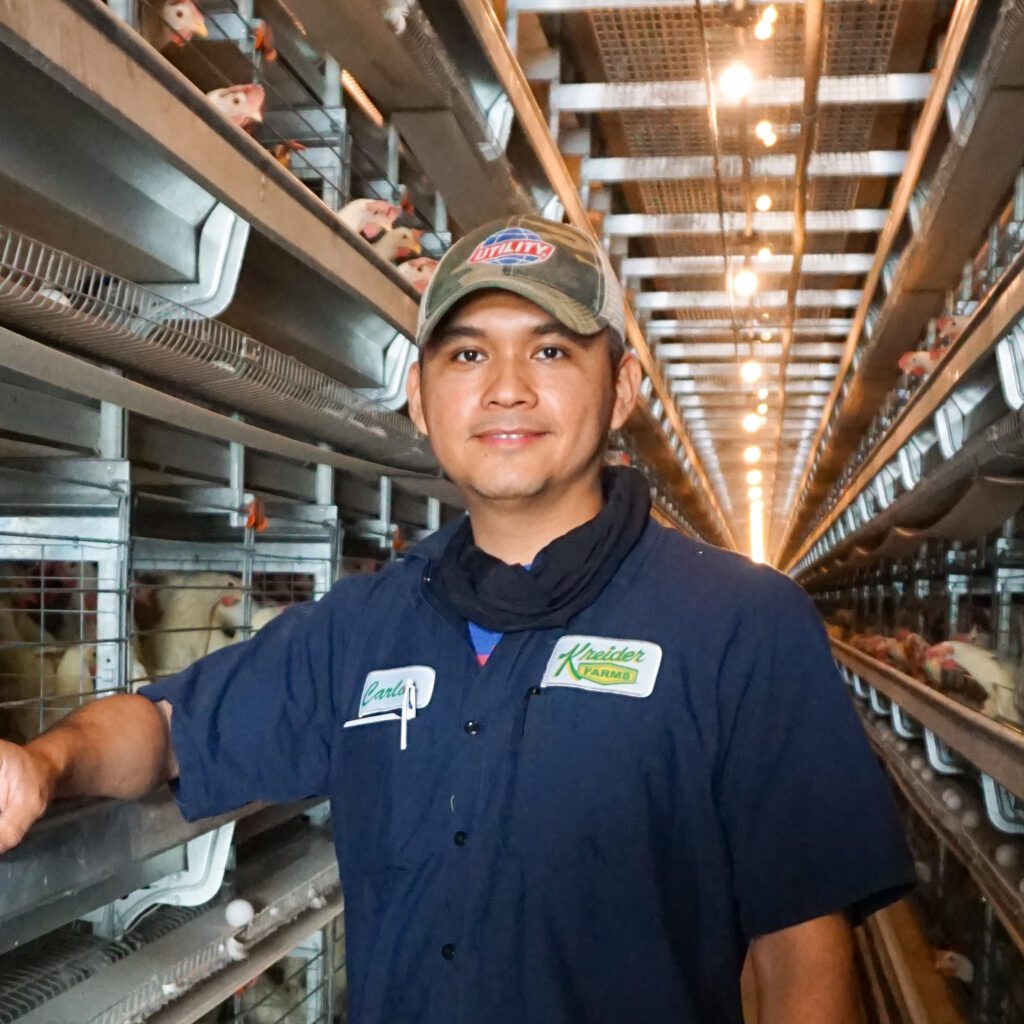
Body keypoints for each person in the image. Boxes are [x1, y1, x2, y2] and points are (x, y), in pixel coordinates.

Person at [0, 215, 913, 1023]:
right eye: (467, 354)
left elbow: (802, 958)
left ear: (625, 389)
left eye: (551, 350)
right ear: (422, 400)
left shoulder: (743, 625)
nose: (506, 387)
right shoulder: (360, 629)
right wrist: (45, 763)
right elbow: (165, 730)